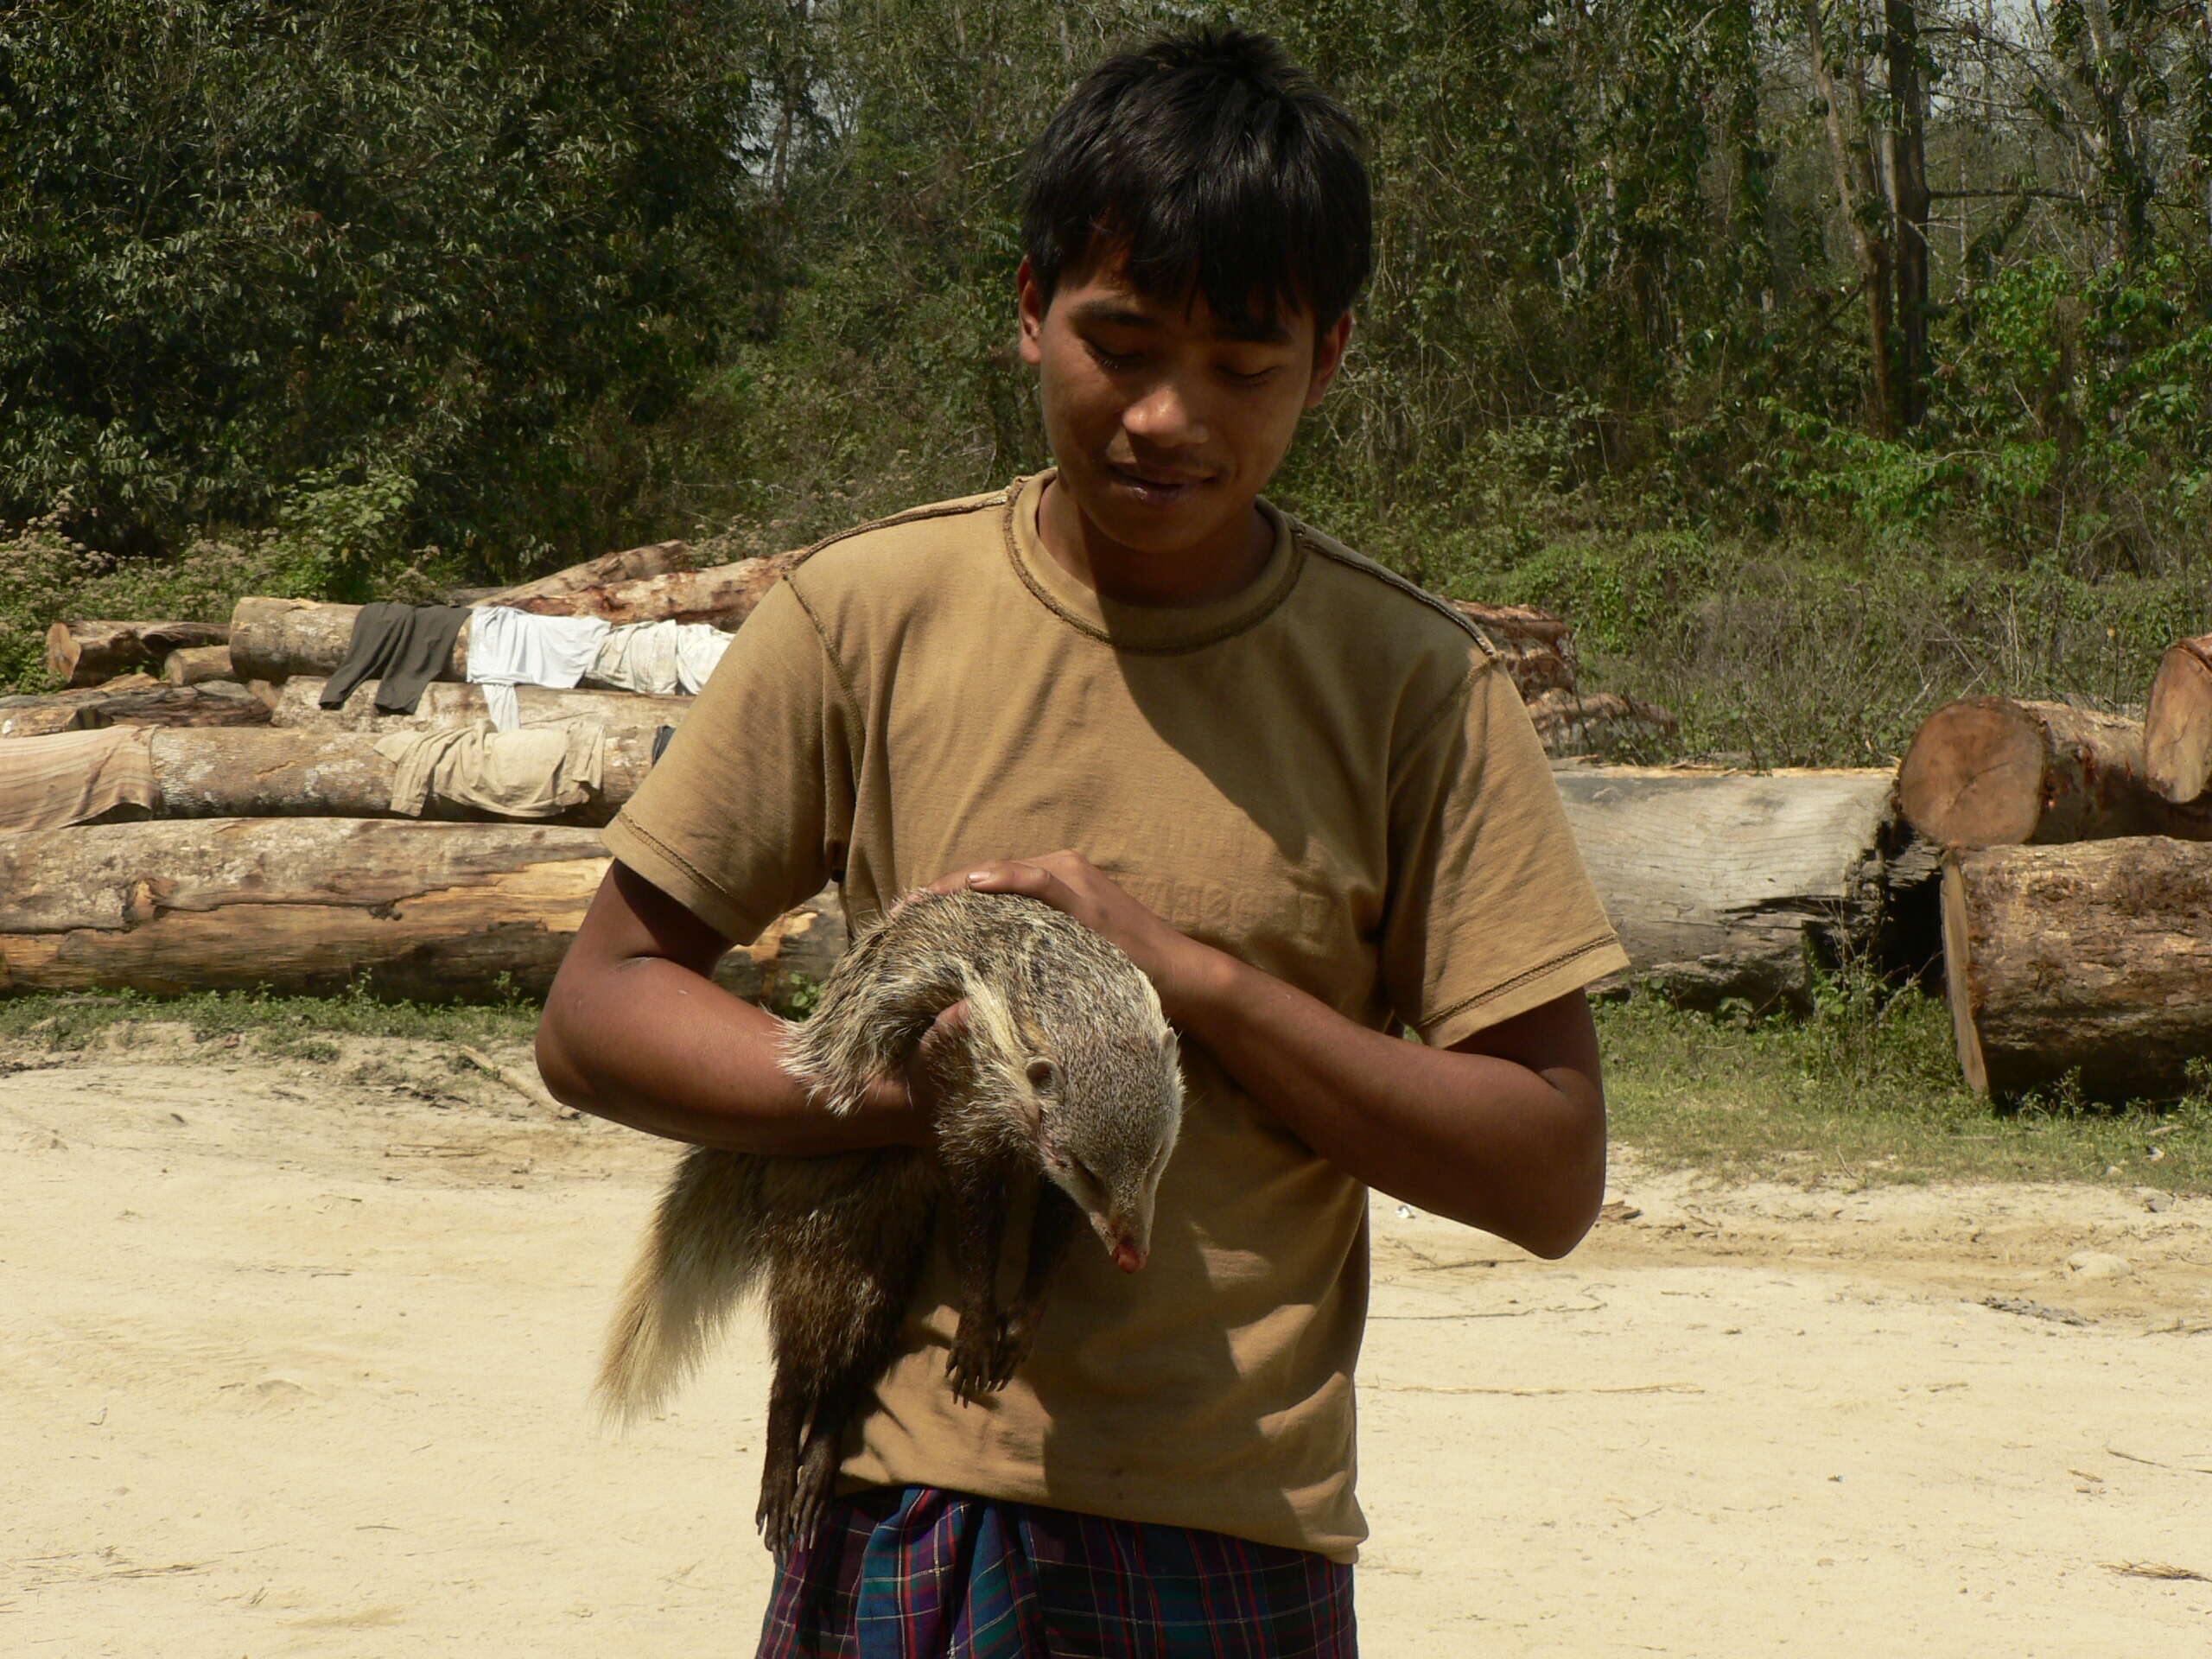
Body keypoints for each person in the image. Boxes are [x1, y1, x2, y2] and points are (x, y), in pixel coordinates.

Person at [536, 24, 1628, 1656]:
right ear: (1029, 307)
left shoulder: (1415, 689)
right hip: (899, 1493)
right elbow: (600, 1009)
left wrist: (1193, 985)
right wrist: (941, 1095)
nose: (1167, 417)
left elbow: (1546, 1171)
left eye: (1244, 368)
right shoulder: (869, 615)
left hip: (1227, 1521)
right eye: (1118, 342)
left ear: (1330, 360)